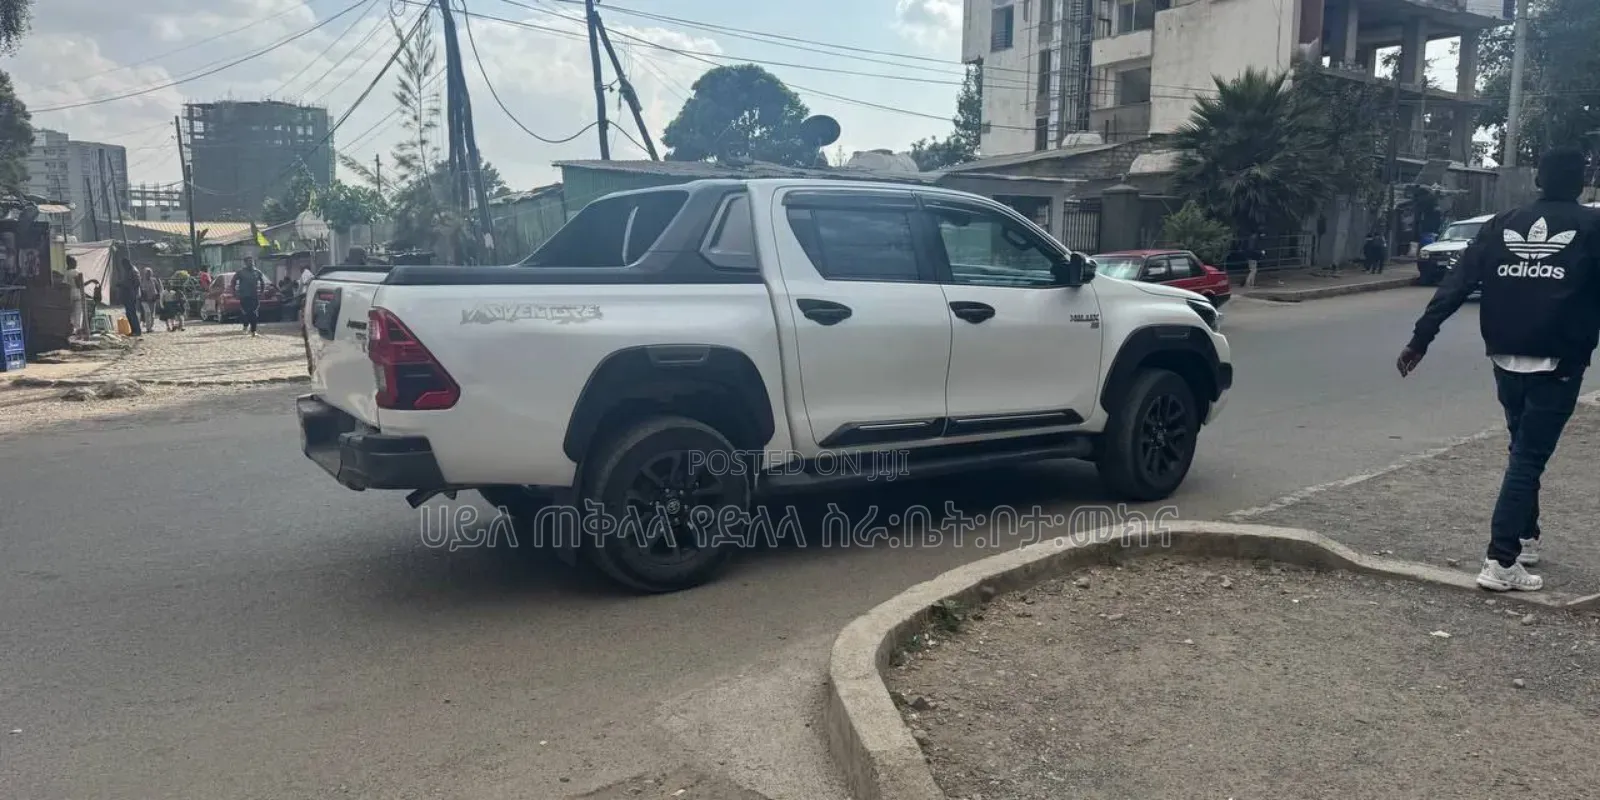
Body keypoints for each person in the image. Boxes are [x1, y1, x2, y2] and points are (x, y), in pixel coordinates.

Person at [1398, 146, 1600, 593]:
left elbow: (1457, 283)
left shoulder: (1501, 224)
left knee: (1521, 448)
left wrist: (1420, 339)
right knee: (1528, 457)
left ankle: (1526, 538)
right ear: (1582, 183)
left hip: (1505, 356)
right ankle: (1501, 560)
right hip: (1558, 362)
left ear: (1538, 180)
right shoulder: (1592, 227)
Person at [233, 257, 266, 336]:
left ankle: (253, 331)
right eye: (249, 261)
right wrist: (234, 292)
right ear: (245, 263)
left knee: (254, 313)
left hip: (254, 296)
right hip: (244, 296)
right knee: (246, 312)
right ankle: (245, 325)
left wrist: (261, 292)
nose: (251, 263)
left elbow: (262, 282)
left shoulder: (257, 272)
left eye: (252, 261)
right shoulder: (241, 272)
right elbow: (233, 281)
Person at [118, 259, 142, 337]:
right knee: (128, 314)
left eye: (124, 265)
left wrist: (126, 285)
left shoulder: (134, 271)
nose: (123, 267)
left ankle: (137, 331)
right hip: (127, 295)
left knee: (132, 313)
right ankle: (133, 330)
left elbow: (137, 283)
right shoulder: (127, 271)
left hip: (132, 295)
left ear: (127, 264)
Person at [62, 256, 85, 336]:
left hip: (69, 294)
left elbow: (64, 284)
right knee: (78, 313)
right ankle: (77, 330)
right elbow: (79, 285)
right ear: (71, 263)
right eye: (75, 262)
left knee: (71, 314)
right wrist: (89, 282)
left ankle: (71, 330)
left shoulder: (66, 273)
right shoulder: (75, 272)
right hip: (77, 294)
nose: (76, 264)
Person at [138, 267, 162, 332]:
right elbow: (139, 289)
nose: (148, 274)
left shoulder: (154, 280)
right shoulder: (141, 280)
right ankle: (147, 327)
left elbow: (159, 289)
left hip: (152, 299)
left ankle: (150, 327)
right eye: (147, 273)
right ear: (144, 273)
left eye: (149, 273)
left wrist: (157, 296)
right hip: (144, 300)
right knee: (147, 312)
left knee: (152, 314)